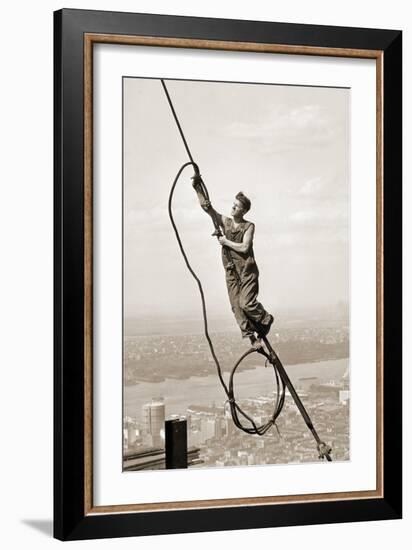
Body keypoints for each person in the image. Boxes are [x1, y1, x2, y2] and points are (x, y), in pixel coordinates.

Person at [192, 174, 273, 349]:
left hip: (246, 271)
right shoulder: (226, 223)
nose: (233, 207)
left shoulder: (248, 226)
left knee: (246, 303)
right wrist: (197, 188)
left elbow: (245, 248)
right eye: (233, 205)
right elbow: (208, 209)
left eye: (237, 206)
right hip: (230, 270)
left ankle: (266, 319)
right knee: (236, 307)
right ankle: (252, 339)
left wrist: (225, 242)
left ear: (243, 211)